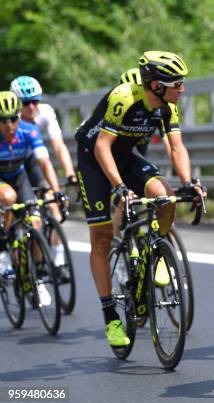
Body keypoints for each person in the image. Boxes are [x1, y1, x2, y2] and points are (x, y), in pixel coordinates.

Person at [74, 51, 203, 347]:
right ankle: (111, 316)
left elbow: (176, 147)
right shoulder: (124, 97)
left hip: (126, 155)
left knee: (165, 198)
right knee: (102, 238)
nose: (182, 89)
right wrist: (118, 186)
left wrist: (188, 182)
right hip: (94, 159)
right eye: (177, 84)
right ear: (156, 85)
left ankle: (157, 249)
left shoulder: (168, 106)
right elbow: (102, 147)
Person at [0, 91, 63, 305]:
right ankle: (3, 251)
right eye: (2, 120)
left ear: (19, 117)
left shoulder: (30, 131)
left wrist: (55, 191)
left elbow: (44, 163)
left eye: (13, 119)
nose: (9, 125)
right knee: (8, 198)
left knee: (35, 221)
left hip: (19, 176)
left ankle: (36, 278)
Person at [10, 76, 77, 267]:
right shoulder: (9, 120)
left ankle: (57, 260)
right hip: (12, 165)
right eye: (25, 103)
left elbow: (58, 146)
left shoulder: (45, 112)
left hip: (36, 162)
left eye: (35, 101)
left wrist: (70, 173)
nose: (31, 107)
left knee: (52, 203)